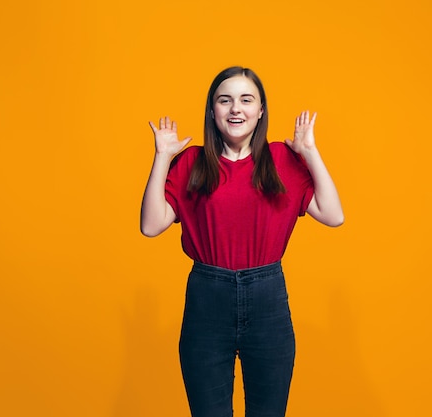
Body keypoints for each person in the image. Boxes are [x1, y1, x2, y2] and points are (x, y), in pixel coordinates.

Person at [140, 66, 343, 417]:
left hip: (268, 300)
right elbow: (151, 225)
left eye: (246, 100)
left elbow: (333, 214)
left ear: (260, 110)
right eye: (225, 100)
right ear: (212, 110)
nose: (236, 108)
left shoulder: (282, 160)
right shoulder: (192, 162)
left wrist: (309, 153)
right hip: (207, 298)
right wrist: (162, 157)